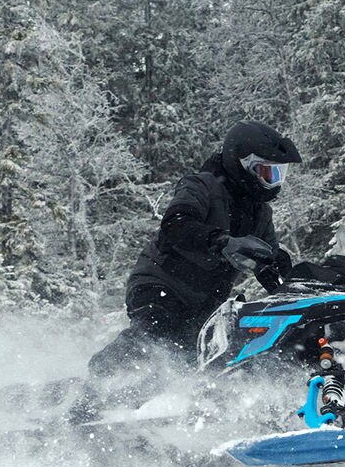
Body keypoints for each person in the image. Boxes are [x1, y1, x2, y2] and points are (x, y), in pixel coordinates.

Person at [68, 121, 301, 422]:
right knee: (155, 334)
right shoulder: (203, 185)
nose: (273, 182)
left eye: (278, 174)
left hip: (206, 300)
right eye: (267, 172)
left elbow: (267, 256)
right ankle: (92, 394)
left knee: (194, 362)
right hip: (161, 281)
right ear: (242, 165)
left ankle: (154, 418)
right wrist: (221, 242)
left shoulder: (260, 212)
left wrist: (290, 279)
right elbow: (176, 225)